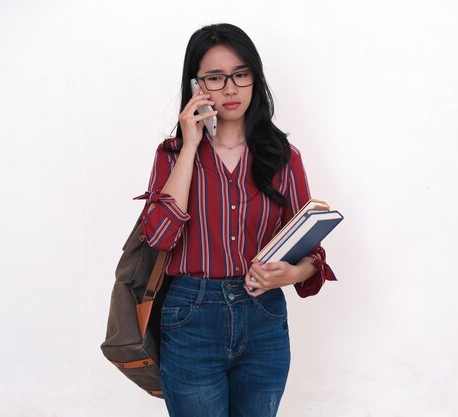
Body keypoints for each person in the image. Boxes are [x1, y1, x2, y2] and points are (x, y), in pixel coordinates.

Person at [133, 23, 336, 417]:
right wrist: (191, 144)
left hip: (263, 317)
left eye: (240, 74)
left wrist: (289, 275)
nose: (230, 88)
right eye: (215, 77)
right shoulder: (173, 154)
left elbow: (312, 249)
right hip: (190, 316)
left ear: (255, 80)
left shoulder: (282, 156)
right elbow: (159, 235)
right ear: (196, 85)